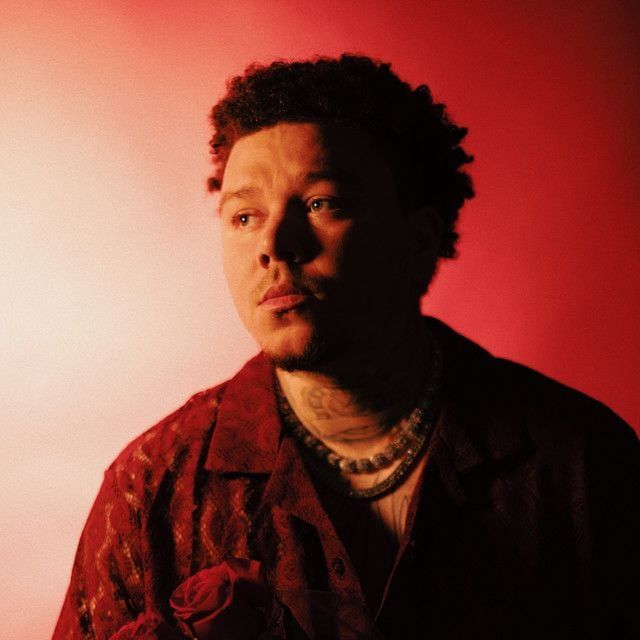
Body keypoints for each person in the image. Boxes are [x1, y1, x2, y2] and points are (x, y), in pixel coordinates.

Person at [54, 55, 639, 639]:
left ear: (419, 238)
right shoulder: (152, 486)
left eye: (322, 203)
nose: (274, 243)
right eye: (244, 216)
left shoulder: (581, 464)